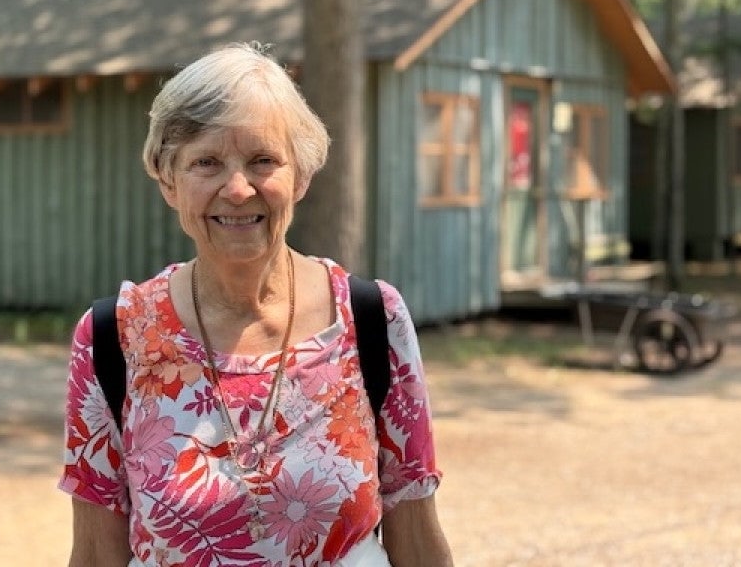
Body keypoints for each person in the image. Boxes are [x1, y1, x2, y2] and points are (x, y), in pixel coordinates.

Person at [59, 41, 453, 567]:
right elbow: (94, 553)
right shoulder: (114, 337)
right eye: (206, 162)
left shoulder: (372, 320)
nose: (239, 189)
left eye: (263, 160)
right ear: (168, 181)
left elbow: (416, 532)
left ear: (302, 177)